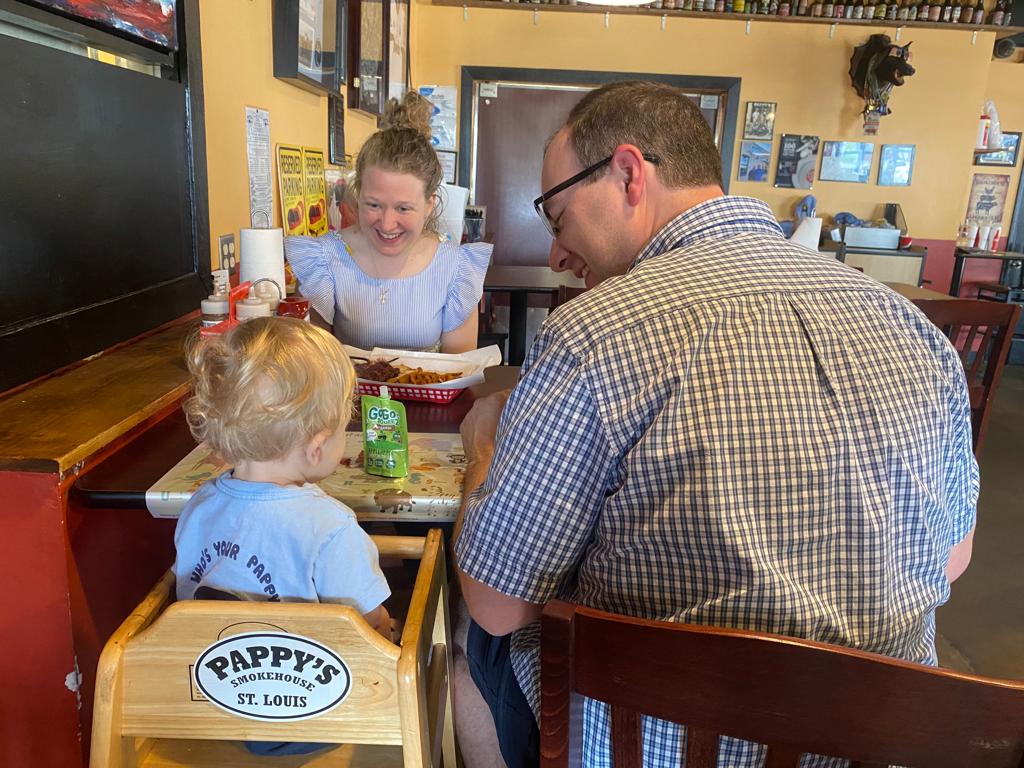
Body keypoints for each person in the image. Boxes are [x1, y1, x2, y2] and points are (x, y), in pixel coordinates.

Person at [453, 80, 977, 767]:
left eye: (558, 219)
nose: (557, 252)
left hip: (653, 748)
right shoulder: (909, 325)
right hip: (881, 743)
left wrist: (484, 452)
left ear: (628, 174)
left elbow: (501, 605)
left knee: (469, 634)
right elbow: (952, 560)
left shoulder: (598, 331)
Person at [174, 317, 392, 755]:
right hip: (311, 717)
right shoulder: (331, 528)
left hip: (211, 707)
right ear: (317, 446)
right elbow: (370, 630)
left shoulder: (196, 507)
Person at [285, 92, 491, 353]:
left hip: (425, 394)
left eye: (403, 208)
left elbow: (459, 369)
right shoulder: (324, 259)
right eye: (373, 205)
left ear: (429, 204)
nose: (387, 223)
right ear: (358, 194)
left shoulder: (454, 268)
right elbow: (313, 361)